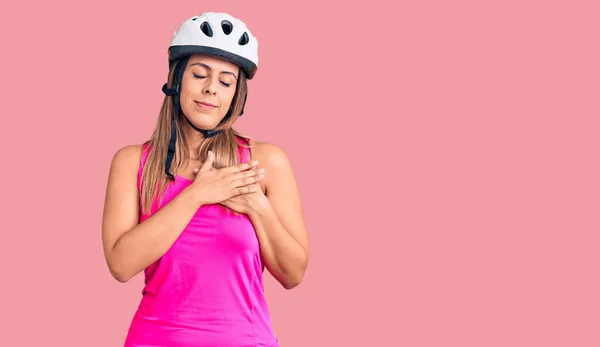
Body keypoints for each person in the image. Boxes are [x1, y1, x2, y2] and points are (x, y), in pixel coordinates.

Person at [101, 12, 309, 347]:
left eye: (226, 82)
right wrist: (198, 194)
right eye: (200, 75)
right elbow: (121, 265)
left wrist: (257, 206)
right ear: (177, 79)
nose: (211, 88)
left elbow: (292, 274)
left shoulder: (265, 161)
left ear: (235, 96)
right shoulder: (132, 163)